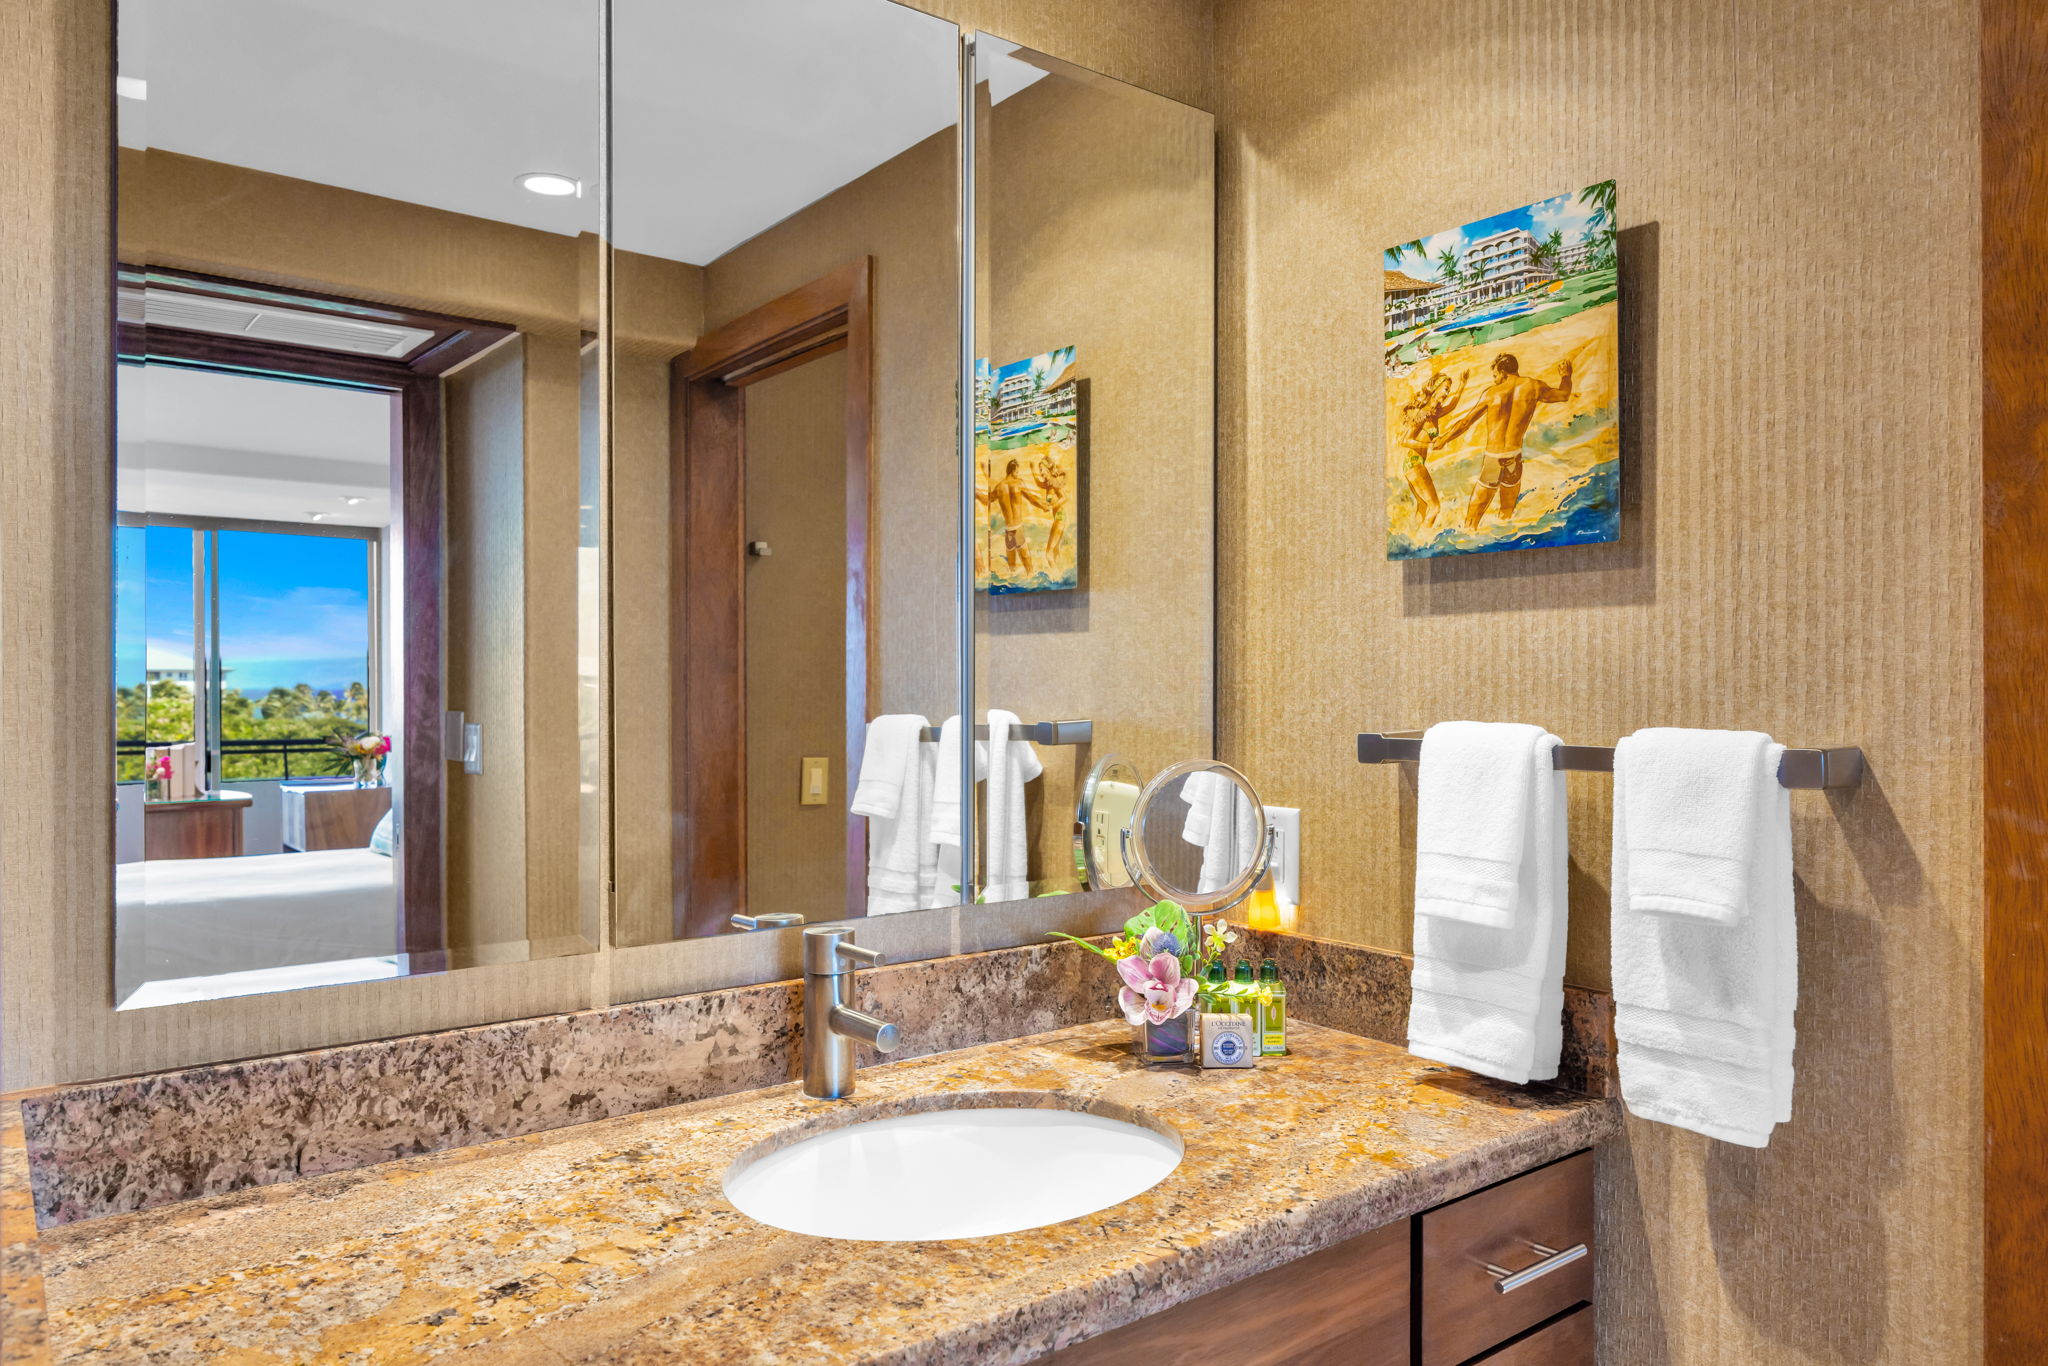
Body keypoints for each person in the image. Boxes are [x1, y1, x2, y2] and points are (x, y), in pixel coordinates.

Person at [1433, 343, 1586, 530]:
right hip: (1514, 458)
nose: (1494, 379)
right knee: (1506, 514)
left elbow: (1466, 422)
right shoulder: (1533, 386)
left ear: (1503, 371)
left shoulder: (1491, 393)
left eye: (1495, 375)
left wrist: (1443, 439)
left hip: (1493, 460)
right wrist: (1565, 375)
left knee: (1471, 520)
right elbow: (1563, 395)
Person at [1392, 368, 1464, 527]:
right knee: (1435, 507)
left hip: (1413, 464)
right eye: (1445, 389)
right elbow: (1405, 440)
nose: (1447, 393)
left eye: (1448, 390)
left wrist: (1462, 386)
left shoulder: (1434, 413)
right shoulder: (1424, 413)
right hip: (1414, 463)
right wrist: (1429, 445)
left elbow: (1452, 405)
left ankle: (1417, 537)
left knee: (1423, 505)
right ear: (1436, 389)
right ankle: (1426, 537)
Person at [976, 458, 1050, 577]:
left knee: (1011, 565)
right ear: (1013, 470)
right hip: (1018, 528)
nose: (1018, 473)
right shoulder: (1019, 483)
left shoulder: (1000, 487)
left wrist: (977, 489)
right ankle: (1030, 579)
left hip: (1008, 529)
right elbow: (1031, 498)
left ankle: (1011, 582)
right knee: (1028, 564)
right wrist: (1043, 506)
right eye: (1017, 470)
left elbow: (987, 500)